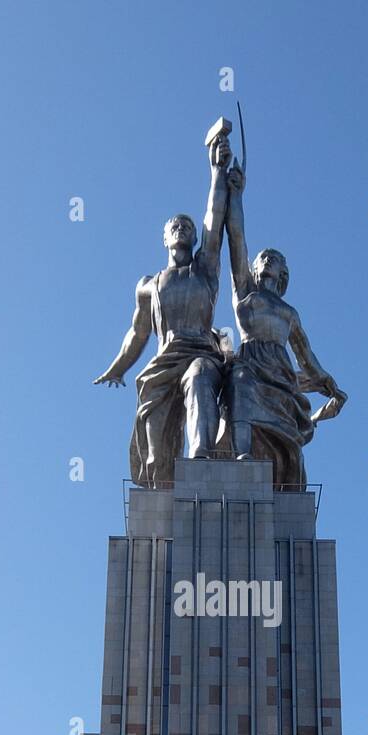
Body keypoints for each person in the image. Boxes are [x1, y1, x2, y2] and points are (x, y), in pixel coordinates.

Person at [94, 129, 232, 489]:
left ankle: (201, 457)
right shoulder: (148, 284)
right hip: (161, 364)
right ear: (165, 238)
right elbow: (138, 333)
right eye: (175, 226)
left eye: (187, 226)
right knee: (156, 459)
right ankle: (163, 494)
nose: (182, 228)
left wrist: (216, 170)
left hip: (200, 352)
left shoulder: (205, 268)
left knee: (201, 375)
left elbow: (214, 216)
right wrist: (117, 368)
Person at [222, 162, 347, 490]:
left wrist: (327, 382)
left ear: (283, 273)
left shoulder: (289, 313)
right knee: (240, 384)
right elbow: (236, 239)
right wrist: (236, 194)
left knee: (289, 440)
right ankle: (242, 456)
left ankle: (282, 479)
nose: (266, 259)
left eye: (273, 258)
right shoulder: (245, 292)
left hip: (281, 372)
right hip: (250, 362)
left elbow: (306, 356)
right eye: (262, 257)